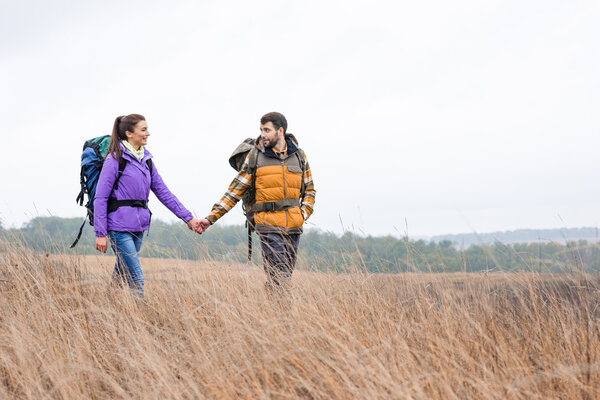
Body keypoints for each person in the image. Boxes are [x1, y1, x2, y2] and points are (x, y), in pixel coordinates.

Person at [199, 112, 316, 293]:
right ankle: (282, 314)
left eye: (267, 130)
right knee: (279, 275)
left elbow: (309, 190)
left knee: (283, 276)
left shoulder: (299, 156)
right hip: (267, 225)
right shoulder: (255, 157)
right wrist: (211, 218)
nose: (263, 134)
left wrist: (303, 214)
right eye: (261, 130)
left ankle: (273, 310)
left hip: (293, 226)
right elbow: (234, 191)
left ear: (280, 131)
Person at [94, 114, 202, 297]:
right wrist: (101, 233)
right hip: (118, 228)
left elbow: (164, 193)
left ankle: (109, 303)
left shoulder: (146, 161)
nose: (148, 134)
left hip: (139, 227)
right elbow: (100, 198)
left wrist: (188, 218)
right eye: (143, 130)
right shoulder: (114, 159)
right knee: (137, 277)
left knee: (122, 273)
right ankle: (140, 319)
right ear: (129, 133)